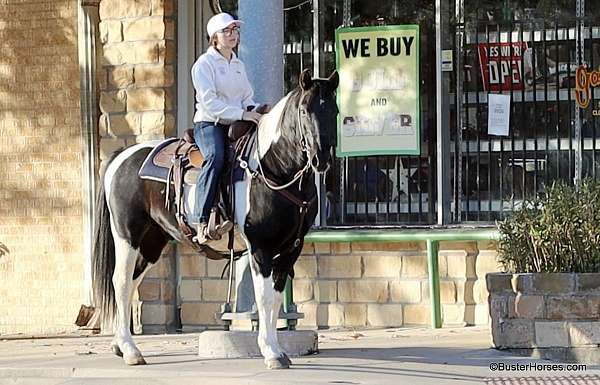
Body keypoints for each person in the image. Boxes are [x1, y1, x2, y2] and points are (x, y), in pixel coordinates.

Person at [190, 12, 262, 244]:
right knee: (216, 157)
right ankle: (201, 221)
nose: (233, 35)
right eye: (227, 31)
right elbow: (210, 103)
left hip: (236, 123)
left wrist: (258, 109)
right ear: (214, 38)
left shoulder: (238, 64)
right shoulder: (203, 64)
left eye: (235, 30)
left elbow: (246, 97)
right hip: (210, 124)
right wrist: (243, 114)